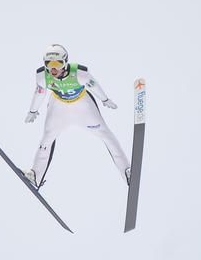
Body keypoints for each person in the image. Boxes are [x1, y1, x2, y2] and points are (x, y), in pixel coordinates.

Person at [23, 44, 130, 189]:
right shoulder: (43, 76)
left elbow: (93, 85)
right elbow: (39, 93)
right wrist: (33, 111)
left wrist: (105, 99)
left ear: (65, 62)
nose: (53, 68)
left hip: (82, 106)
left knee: (106, 135)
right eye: (49, 64)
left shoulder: (79, 73)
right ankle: (35, 176)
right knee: (47, 138)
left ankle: (127, 171)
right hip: (58, 108)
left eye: (57, 63)